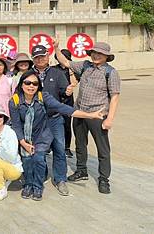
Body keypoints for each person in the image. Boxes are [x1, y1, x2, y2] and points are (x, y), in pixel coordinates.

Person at [9, 70, 104, 201]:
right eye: (27, 83)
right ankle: (28, 184)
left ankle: (37, 186)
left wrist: (90, 115)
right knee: (27, 160)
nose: (31, 86)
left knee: (39, 158)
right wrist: (23, 142)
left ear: (39, 86)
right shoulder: (14, 101)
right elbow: (16, 124)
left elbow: (63, 108)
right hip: (26, 135)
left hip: (42, 134)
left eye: (35, 84)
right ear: (21, 84)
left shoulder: (44, 97)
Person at [54, 40, 121, 194]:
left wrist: (109, 119)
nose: (96, 55)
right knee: (80, 144)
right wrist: (56, 47)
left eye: (100, 54)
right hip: (80, 112)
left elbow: (115, 97)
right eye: (94, 52)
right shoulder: (85, 66)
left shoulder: (111, 72)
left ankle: (104, 179)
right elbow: (65, 61)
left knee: (102, 148)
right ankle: (81, 170)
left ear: (106, 56)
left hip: (98, 115)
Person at [31, 44, 73, 196]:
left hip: (55, 119)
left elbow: (64, 93)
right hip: (37, 121)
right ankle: (41, 174)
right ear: (33, 59)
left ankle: (60, 179)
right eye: (36, 57)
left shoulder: (56, 72)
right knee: (39, 151)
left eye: (42, 56)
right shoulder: (29, 74)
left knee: (59, 149)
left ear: (48, 56)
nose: (40, 59)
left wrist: (68, 91)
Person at [53, 49, 79, 158]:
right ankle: (54, 145)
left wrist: (71, 71)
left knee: (67, 125)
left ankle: (67, 147)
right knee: (54, 123)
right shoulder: (54, 69)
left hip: (68, 101)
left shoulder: (73, 70)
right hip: (56, 99)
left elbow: (74, 84)